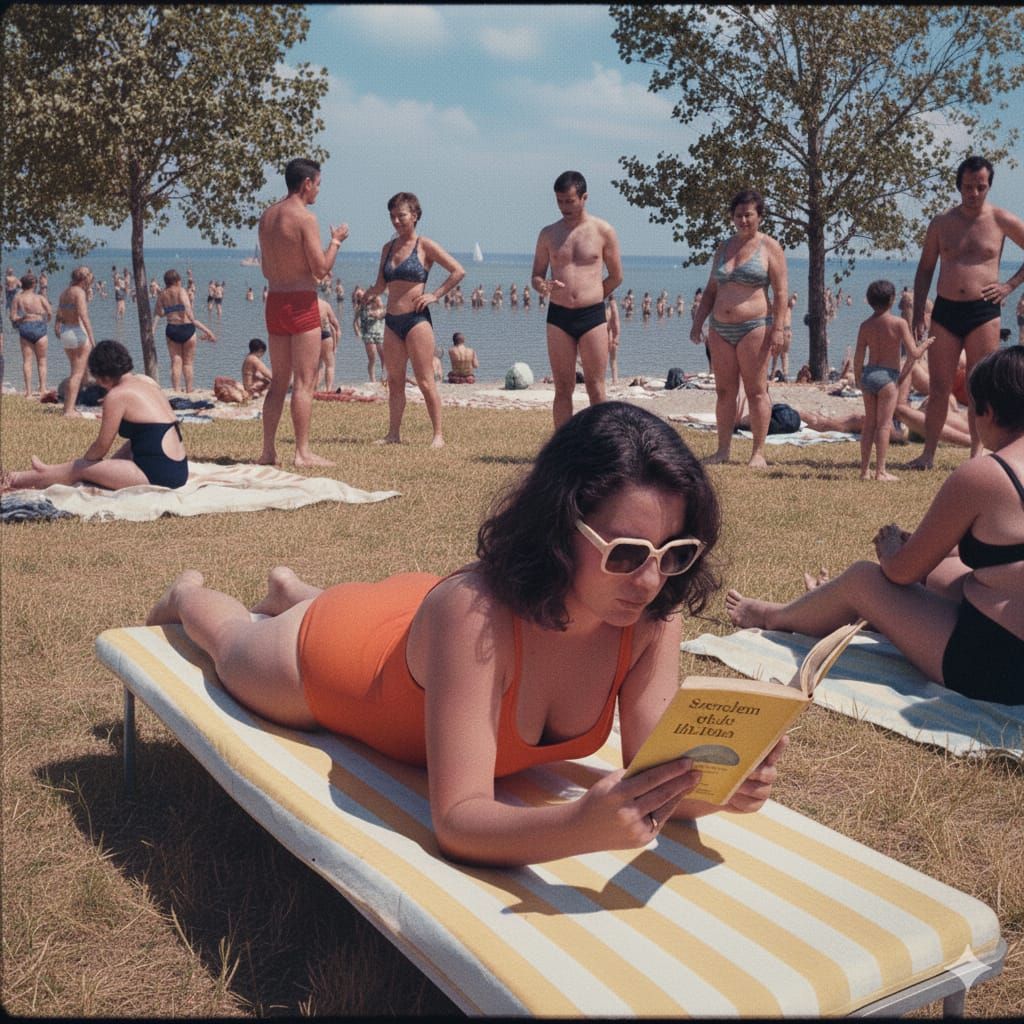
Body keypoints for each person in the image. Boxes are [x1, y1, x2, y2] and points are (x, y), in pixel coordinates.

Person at [143, 401, 785, 866]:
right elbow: (457, 822)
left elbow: (656, 775)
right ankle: (192, 592)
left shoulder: (651, 612)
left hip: (428, 627)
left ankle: (291, 589)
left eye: (674, 552)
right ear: (560, 528)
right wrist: (576, 827)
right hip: (337, 658)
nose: (650, 579)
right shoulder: (475, 615)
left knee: (412, 622)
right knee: (232, 649)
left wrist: (724, 788)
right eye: (625, 552)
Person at [727, 347, 1024, 705]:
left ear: (988, 411)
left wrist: (892, 551)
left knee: (863, 579)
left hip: (995, 667)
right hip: (1008, 628)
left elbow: (900, 573)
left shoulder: (986, 475)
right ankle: (840, 604)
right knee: (943, 568)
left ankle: (774, 616)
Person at [909, 156, 1024, 467]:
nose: (974, 193)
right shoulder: (941, 222)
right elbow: (925, 269)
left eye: (981, 187)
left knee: (980, 385)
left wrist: (1009, 286)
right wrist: (919, 312)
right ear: (959, 185)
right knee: (938, 386)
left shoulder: (1001, 219)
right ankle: (928, 454)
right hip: (945, 311)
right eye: (969, 187)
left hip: (983, 311)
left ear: (989, 187)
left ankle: (977, 454)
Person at [0, 340, 188, 493]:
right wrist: (104, 468)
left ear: (102, 375)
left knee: (81, 468)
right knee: (125, 447)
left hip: (158, 475)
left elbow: (101, 446)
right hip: (178, 468)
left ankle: (15, 479)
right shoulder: (147, 383)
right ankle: (45, 472)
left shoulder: (117, 395)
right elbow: (147, 434)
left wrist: (85, 464)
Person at [258, 157, 349, 467]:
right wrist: (336, 241)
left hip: (275, 300)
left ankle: (268, 451)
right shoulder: (304, 218)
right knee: (305, 381)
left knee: (278, 381)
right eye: (318, 185)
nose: (318, 192)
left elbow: (267, 267)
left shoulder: (267, 216)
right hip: (300, 301)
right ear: (307, 183)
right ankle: (302, 453)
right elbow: (321, 270)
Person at [689, 188, 789, 468]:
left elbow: (781, 293)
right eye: (738, 215)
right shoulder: (723, 247)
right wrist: (698, 322)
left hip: (755, 327)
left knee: (756, 390)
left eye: (748, 215)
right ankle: (723, 449)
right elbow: (711, 289)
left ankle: (758, 452)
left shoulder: (770, 248)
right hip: (720, 328)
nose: (743, 220)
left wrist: (779, 328)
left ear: (759, 216)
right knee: (724, 391)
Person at [359, 191, 465, 447]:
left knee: (425, 380)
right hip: (392, 321)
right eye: (392, 216)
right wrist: (367, 294)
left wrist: (435, 295)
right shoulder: (388, 248)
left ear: (415, 216)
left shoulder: (425, 245)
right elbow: (381, 284)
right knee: (394, 381)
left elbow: (458, 270)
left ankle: (438, 434)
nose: (396, 221)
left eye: (401, 216)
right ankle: (393, 434)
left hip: (417, 321)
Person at [532, 171, 623, 430]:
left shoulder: (603, 231)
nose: (564, 207)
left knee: (596, 386)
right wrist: (543, 286)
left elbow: (616, 277)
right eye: (560, 201)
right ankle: (563, 448)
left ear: (584, 198)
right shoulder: (548, 234)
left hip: (591, 315)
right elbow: (536, 276)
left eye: (570, 201)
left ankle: (601, 445)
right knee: (562, 388)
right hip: (558, 315)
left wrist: (593, 295)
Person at [852, 280, 932, 481]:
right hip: (888, 376)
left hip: (869, 374)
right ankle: (880, 471)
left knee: (869, 423)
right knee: (884, 425)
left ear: (869, 301)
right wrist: (926, 344)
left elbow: (859, 356)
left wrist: (857, 378)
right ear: (892, 299)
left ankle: (864, 471)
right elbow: (913, 353)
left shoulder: (865, 325)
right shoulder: (899, 323)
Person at [153, 269, 216, 394]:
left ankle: (176, 390)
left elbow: (159, 313)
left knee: (176, 361)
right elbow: (190, 315)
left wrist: (171, 311)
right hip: (187, 328)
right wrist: (208, 331)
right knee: (188, 363)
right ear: (177, 281)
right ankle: (189, 390)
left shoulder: (163, 294)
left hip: (172, 329)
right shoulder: (181, 291)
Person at [54, 266, 96, 417]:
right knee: (77, 374)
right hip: (77, 332)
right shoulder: (79, 293)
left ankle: (71, 404)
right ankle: (69, 410)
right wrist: (92, 339)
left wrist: (56, 327)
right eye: (89, 275)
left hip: (66, 332)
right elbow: (84, 317)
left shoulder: (65, 292)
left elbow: (59, 314)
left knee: (75, 371)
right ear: (84, 278)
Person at [10, 273, 51, 397]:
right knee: (42, 360)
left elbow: (13, 317)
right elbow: (49, 313)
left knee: (27, 361)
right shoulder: (40, 298)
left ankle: (28, 392)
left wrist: (22, 319)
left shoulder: (18, 298)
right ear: (34, 285)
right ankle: (42, 389)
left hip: (26, 328)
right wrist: (44, 320)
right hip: (40, 327)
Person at [352, 285, 386, 384]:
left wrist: (378, 314)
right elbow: (355, 321)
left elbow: (384, 311)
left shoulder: (376, 300)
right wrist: (357, 331)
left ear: (364, 292)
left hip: (379, 332)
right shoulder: (360, 307)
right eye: (358, 296)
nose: (360, 298)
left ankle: (383, 378)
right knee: (372, 358)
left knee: (383, 356)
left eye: (360, 295)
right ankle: (372, 380)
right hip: (367, 333)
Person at [770, 291, 797, 381]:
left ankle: (779, 374)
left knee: (780, 354)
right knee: (779, 354)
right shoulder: (785, 306)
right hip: (784, 330)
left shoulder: (783, 306)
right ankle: (779, 374)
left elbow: (794, 298)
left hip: (784, 330)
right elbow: (793, 299)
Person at [316, 293, 340, 392]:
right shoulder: (324, 304)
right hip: (324, 334)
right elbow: (336, 327)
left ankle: (313, 388)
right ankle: (328, 389)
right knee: (330, 364)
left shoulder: (303, 303)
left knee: (317, 365)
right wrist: (335, 345)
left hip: (309, 335)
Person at [606, 292, 621, 385]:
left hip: (609, 332)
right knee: (612, 358)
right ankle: (615, 379)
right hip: (608, 331)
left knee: (613, 358)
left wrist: (617, 336)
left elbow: (616, 319)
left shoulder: (612, 304)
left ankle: (615, 379)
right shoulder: (611, 304)